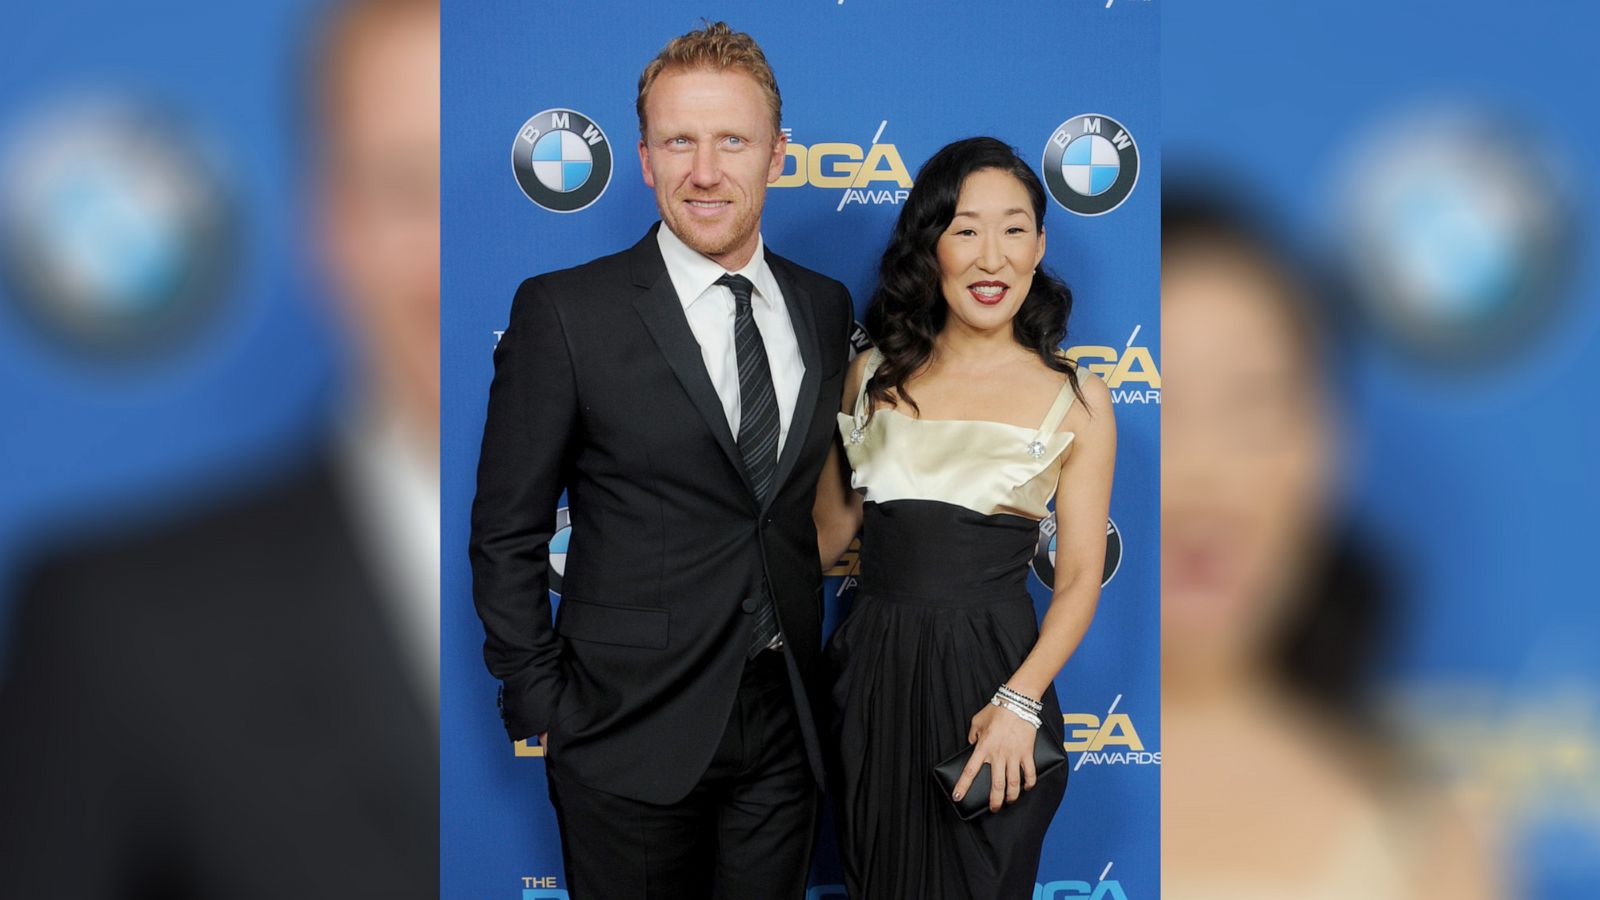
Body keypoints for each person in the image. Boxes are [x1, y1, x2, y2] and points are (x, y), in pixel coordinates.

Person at [0, 0, 441, 896]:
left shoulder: (785, 584)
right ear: (333, 230)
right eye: (414, 187)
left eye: (524, 181)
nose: (468, 249)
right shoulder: (114, 633)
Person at [468, 22, 853, 900]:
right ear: (643, 158)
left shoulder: (825, 307)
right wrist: (547, 708)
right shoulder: (566, 313)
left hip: (785, 726)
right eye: (680, 140)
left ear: (778, 155)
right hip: (623, 731)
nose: (706, 171)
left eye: (733, 141)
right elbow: (505, 530)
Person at [1160, 189, 1503, 900]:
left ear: (1332, 451)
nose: (1202, 472)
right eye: (1157, 401)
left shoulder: (1426, 835)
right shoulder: (952, 768)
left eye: (1252, 401)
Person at [813, 136, 1117, 899]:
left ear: (1040, 245)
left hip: (997, 682)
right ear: (931, 245)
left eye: (1014, 229)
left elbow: (1080, 575)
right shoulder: (871, 375)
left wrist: (1020, 703)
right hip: (875, 678)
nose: (992, 258)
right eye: (966, 229)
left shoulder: (1077, 396)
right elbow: (822, 541)